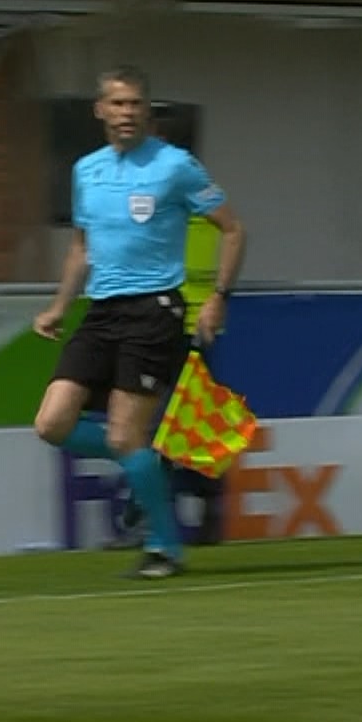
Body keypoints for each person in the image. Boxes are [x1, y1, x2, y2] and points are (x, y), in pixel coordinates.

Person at [32, 66, 245, 579]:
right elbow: (82, 248)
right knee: (52, 424)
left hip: (155, 310)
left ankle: (165, 547)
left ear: (147, 111)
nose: (127, 114)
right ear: (100, 110)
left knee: (126, 438)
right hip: (102, 311)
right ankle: (146, 465)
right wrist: (60, 306)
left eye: (135, 105)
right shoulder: (87, 170)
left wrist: (219, 297)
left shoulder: (176, 166)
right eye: (118, 104)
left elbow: (233, 229)